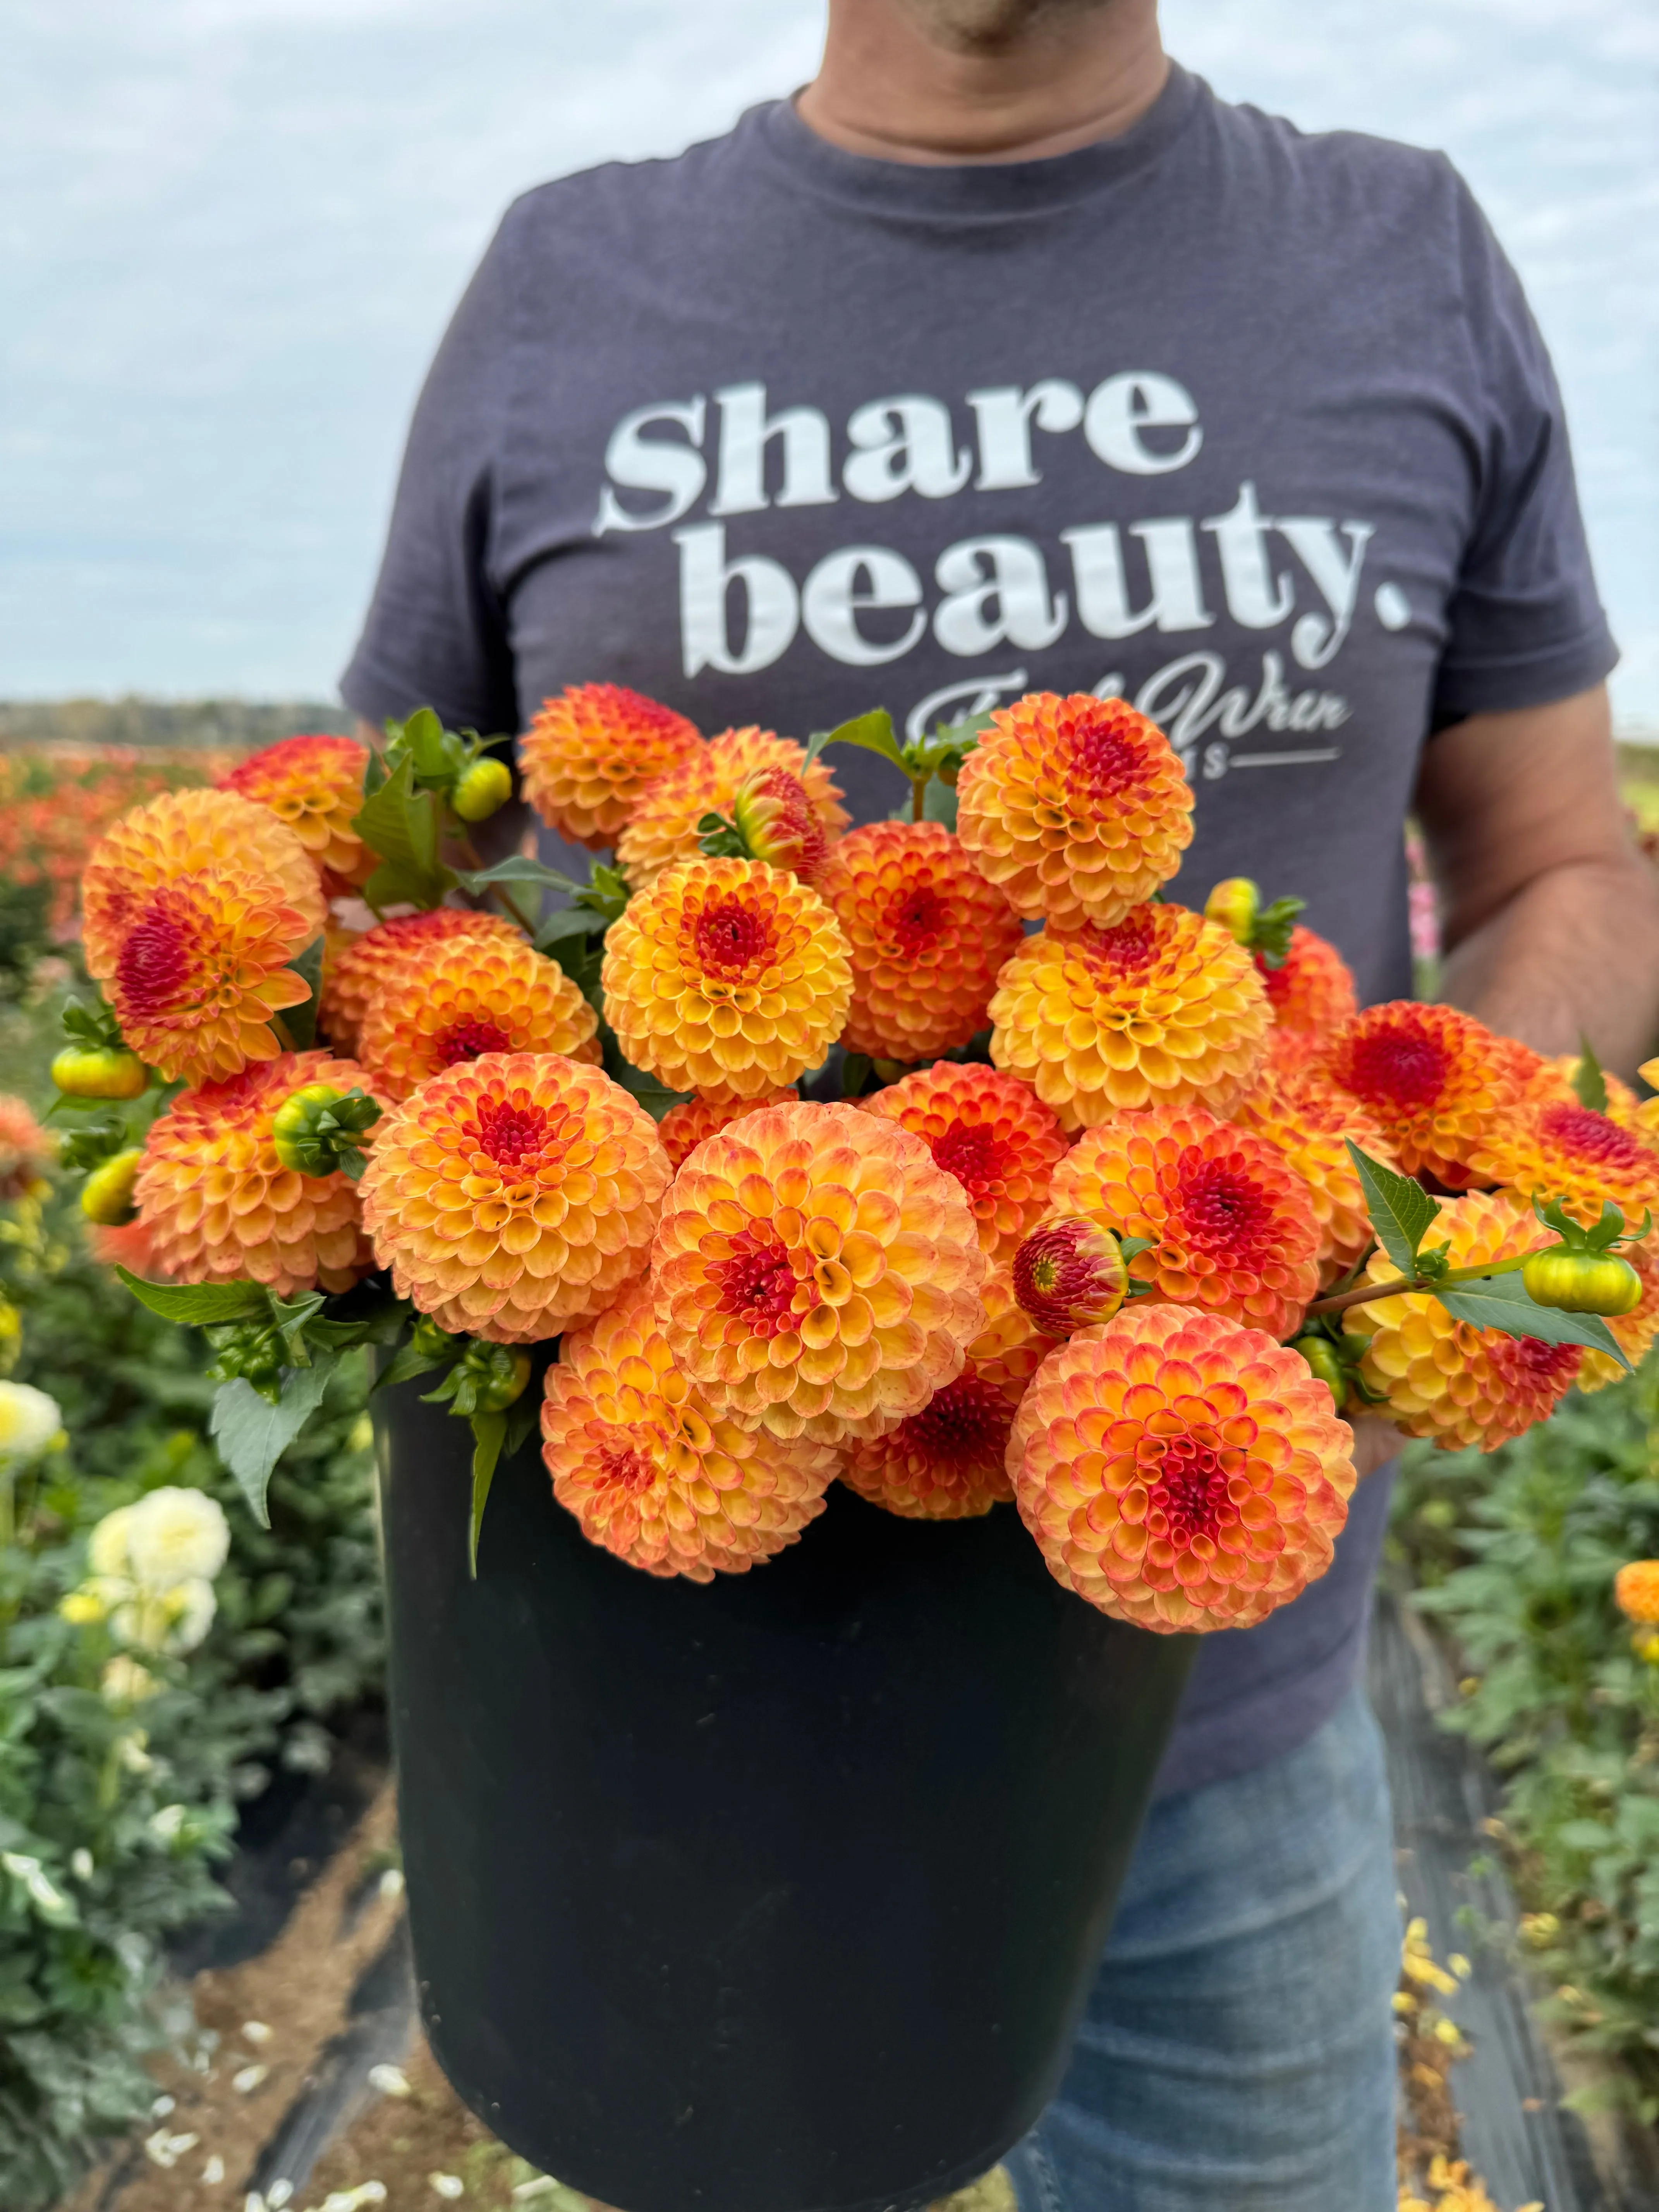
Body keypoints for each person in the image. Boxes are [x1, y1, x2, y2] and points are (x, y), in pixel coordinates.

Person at [342, 2, 1659, 2203]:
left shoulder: (1396, 249)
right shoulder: (565, 278)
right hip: (651, 1701)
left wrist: (1427, 1217)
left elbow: (1556, 861)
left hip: (1205, 1688)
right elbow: (394, 874)